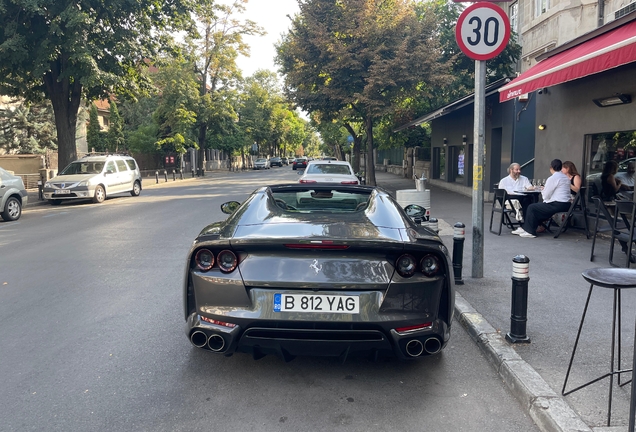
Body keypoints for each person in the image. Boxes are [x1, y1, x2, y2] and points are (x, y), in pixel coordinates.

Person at [512, 159, 572, 238]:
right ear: (561, 167)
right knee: (536, 207)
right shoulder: (565, 178)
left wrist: (543, 190)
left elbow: (545, 196)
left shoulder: (553, 178)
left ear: (551, 167)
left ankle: (530, 231)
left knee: (532, 207)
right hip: (566, 204)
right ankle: (526, 228)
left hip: (557, 204)